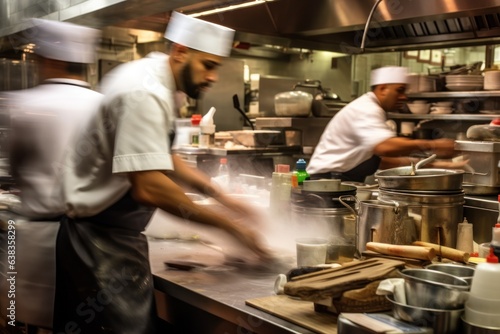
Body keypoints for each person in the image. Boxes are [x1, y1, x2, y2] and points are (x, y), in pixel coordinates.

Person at [53, 11, 271, 333]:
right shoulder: (145, 93)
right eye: (208, 66)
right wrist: (231, 228)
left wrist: (222, 197)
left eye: (216, 68)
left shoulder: (155, 79)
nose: (213, 77)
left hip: (110, 234)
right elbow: (149, 186)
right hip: (99, 242)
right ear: (180, 52)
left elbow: (161, 157)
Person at [1, 19, 102, 332]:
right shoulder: (104, 105)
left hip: (32, 238)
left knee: (23, 319)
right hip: (91, 242)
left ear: (51, 60)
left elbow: (15, 169)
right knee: (81, 319)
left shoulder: (23, 105)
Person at [307, 66, 467, 183]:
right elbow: (385, 147)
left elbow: (384, 161)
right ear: (383, 89)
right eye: (400, 90)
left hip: (335, 184)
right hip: (325, 187)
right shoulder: (367, 109)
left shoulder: (373, 109)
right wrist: (433, 145)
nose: (404, 97)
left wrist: (441, 166)